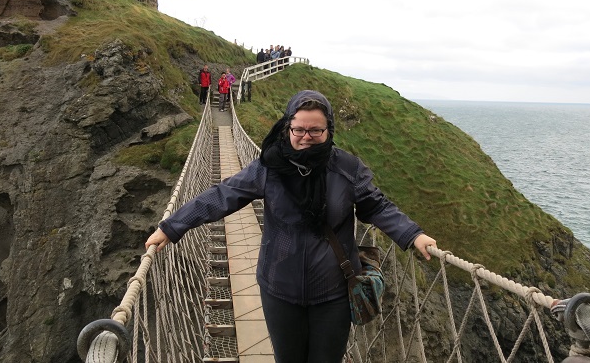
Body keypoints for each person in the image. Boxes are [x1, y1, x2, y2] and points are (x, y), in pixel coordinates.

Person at [145, 90, 437, 363]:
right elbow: (223, 195)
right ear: (288, 127)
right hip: (279, 289)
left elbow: (377, 206)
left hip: (333, 292)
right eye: (299, 129)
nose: (306, 137)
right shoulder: (270, 168)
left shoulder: (347, 169)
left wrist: (413, 235)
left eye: (316, 130)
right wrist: (172, 227)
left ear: (328, 130)